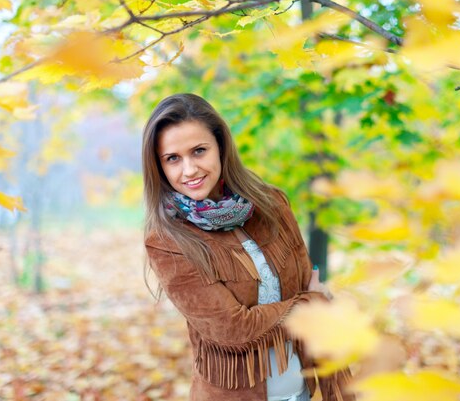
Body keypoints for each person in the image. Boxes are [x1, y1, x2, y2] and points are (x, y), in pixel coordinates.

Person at [142, 93, 354, 401]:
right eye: (172, 158)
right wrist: (311, 303)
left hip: (306, 391)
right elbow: (232, 330)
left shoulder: (272, 205)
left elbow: (308, 280)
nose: (188, 170)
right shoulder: (166, 241)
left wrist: (311, 300)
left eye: (199, 151)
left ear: (221, 148)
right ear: (159, 166)